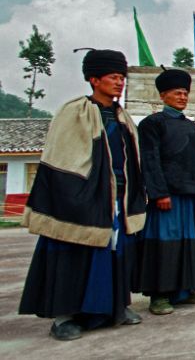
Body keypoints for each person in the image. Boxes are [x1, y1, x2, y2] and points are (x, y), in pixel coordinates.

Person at [19, 49, 146, 340]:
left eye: (122, 77)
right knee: (74, 255)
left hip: (117, 200)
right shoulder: (74, 112)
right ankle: (64, 316)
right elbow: (63, 158)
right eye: (113, 77)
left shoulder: (122, 117)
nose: (119, 83)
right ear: (94, 79)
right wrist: (77, 197)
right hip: (82, 200)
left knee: (114, 255)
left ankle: (115, 307)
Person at [138, 68, 195, 315]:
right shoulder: (152, 124)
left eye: (185, 93)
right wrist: (159, 193)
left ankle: (186, 290)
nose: (182, 97)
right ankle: (160, 296)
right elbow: (150, 161)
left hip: (191, 195)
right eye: (176, 93)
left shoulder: (191, 126)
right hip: (168, 197)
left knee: (190, 244)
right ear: (163, 96)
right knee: (166, 245)